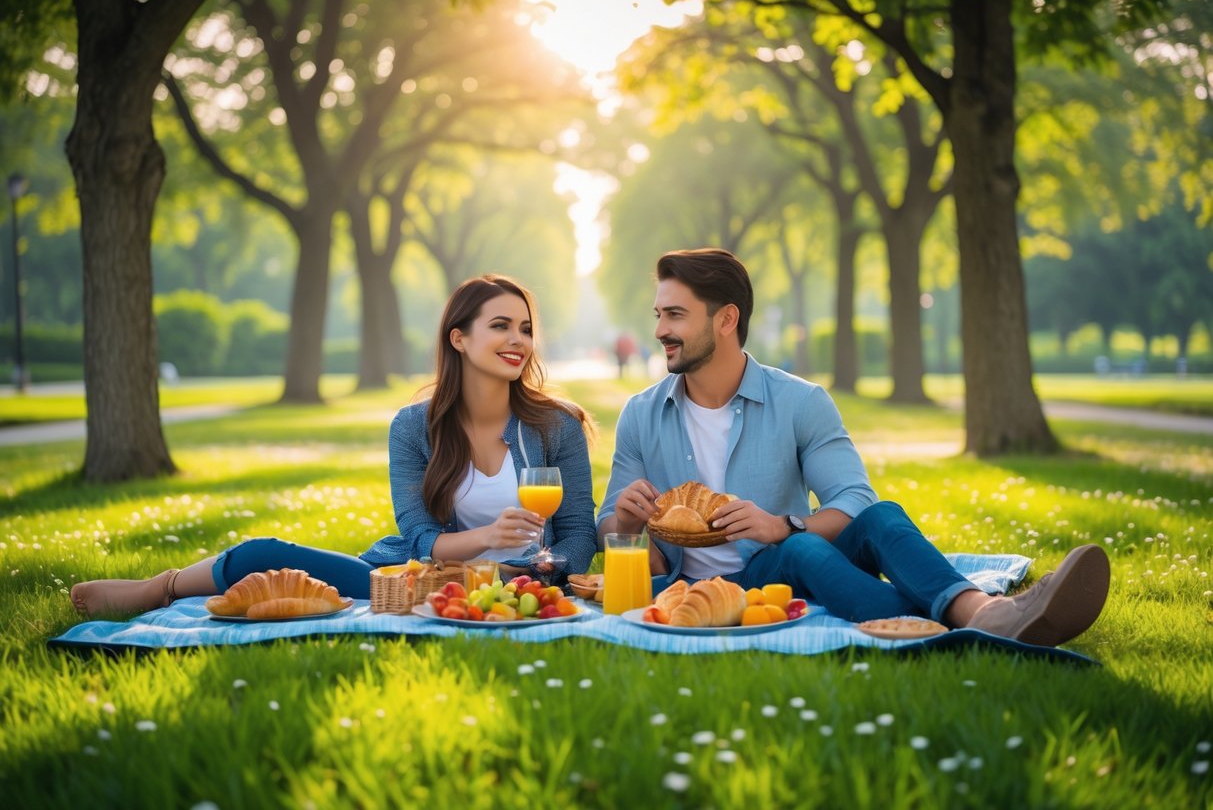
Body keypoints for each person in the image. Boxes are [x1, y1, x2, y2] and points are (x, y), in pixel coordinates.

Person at [597, 248, 1110, 647]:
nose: (660, 330)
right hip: (712, 590)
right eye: (659, 314)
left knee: (881, 517)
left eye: (676, 315)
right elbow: (610, 534)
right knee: (800, 549)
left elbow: (854, 501)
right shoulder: (642, 413)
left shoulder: (800, 402)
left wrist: (781, 525)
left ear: (726, 320)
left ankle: (982, 612)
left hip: (784, 562)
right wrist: (627, 520)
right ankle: (972, 621)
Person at [72, 275, 598, 618]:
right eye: (501, 326)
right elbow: (417, 538)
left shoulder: (557, 426)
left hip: (525, 592)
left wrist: (534, 571)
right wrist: (483, 538)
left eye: (525, 329)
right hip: (417, 585)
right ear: (458, 338)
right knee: (265, 559)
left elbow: (578, 534)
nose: (518, 340)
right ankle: (159, 588)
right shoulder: (413, 427)